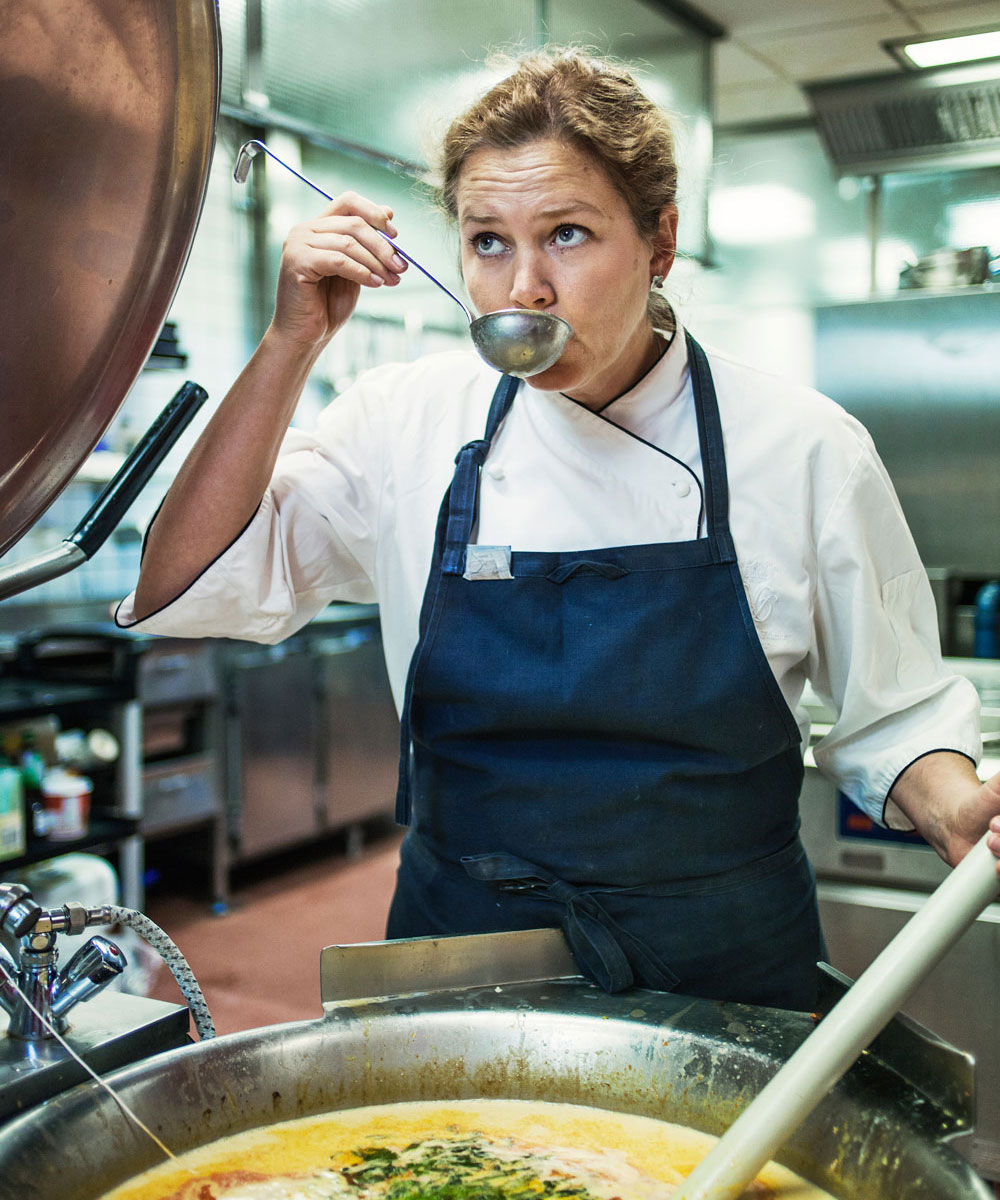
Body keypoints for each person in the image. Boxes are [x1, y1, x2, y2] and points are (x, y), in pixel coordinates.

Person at [118, 48, 1000, 1010]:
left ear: (660, 242)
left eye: (568, 234)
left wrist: (961, 812)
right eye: (487, 241)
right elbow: (186, 587)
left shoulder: (802, 446)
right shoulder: (403, 421)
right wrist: (289, 345)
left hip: (724, 963)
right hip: (462, 960)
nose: (524, 288)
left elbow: (898, 714)